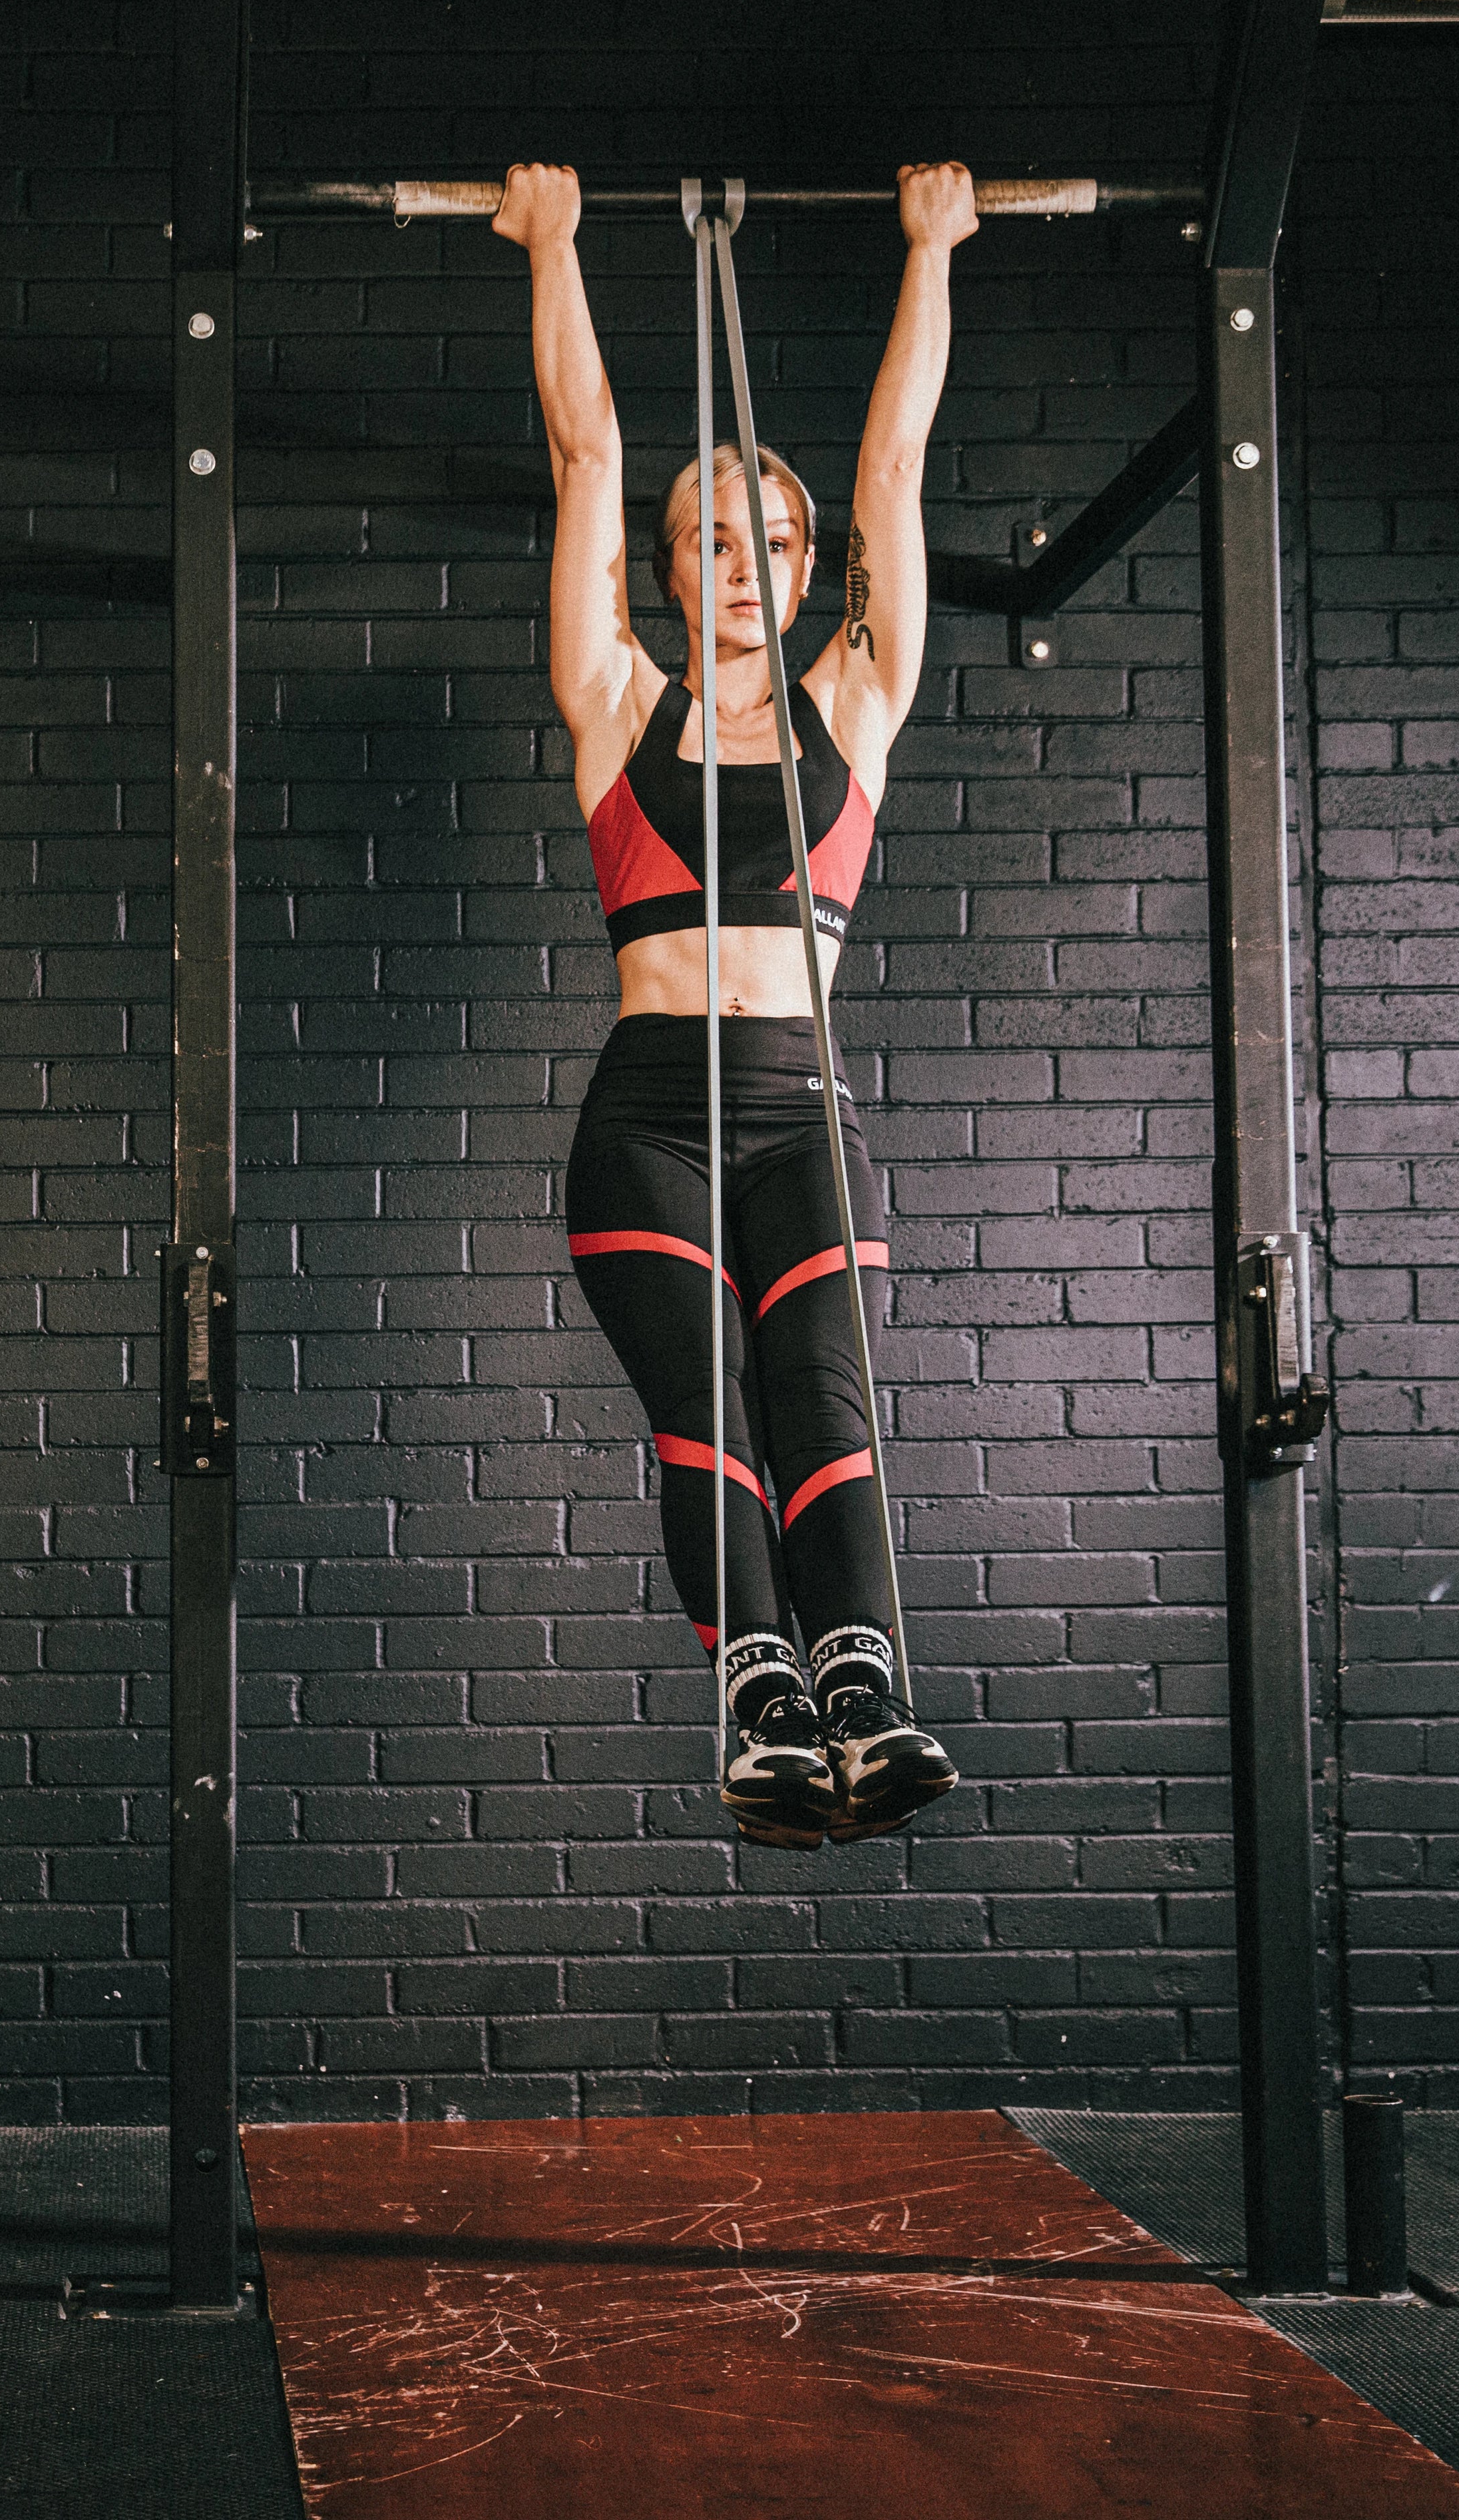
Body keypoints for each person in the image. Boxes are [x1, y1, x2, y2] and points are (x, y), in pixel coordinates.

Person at [495, 160, 977, 1850]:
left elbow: (897, 457)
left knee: (824, 1397)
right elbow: (586, 448)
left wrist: (929, 249)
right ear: (677, 569)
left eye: (775, 539)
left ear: (806, 560)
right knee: (713, 1402)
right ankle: (760, 1696)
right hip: (648, 1125)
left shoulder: (864, 692)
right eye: (715, 539)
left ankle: (859, 1682)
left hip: (800, 1114)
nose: (751, 561)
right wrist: (555, 247)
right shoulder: (617, 696)